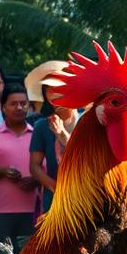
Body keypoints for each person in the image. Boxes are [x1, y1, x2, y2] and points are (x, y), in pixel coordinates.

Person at [0, 84, 40, 248]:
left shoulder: (37, 135)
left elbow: (47, 170)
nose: (19, 107)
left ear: (29, 106)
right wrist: (2, 172)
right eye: (13, 103)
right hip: (0, 212)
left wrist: (36, 179)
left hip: (34, 211)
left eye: (23, 103)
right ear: (3, 107)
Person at [29, 83, 78, 214]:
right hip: (53, 201)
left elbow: (87, 160)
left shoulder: (87, 120)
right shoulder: (41, 126)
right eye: (49, 91)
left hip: (86, 197)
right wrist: (56, 188)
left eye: (59, 89)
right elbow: (34, 166)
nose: (55, 95)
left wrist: (62, 134)